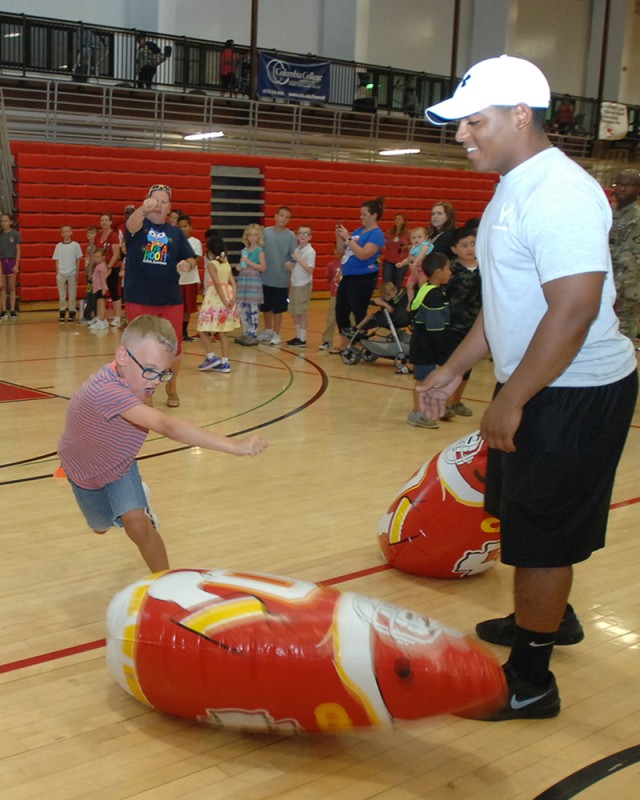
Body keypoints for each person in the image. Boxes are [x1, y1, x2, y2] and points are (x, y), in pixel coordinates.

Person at [421, 54, 638, 720]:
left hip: (573, 390)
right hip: (541, 383)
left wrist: (512, 399)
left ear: (521, 115)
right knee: (523, 519)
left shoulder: (559, 192)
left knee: (542, 535)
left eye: (474, 122)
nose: (463, 137)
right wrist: (455, 367)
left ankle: (533, 679)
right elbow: (507, 301)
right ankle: (552, 618)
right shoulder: (511, 187)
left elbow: (573, 309)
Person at [58, 315, 266, 573]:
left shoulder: (135, 380)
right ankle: (130, 504)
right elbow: (169, 426)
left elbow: (164, 422)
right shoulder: (106, 390)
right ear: (122, 357)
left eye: (162, 373)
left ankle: (165, 582)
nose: (155, 380)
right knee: (100, 526)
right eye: (149, 369)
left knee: (138, 526)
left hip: (120, 467)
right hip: (84, 474)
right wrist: (234, 445)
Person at [124, 183, 197, 408]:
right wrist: (142, 209)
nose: (159, 205)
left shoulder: (175, 233)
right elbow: (131, 224)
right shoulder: (138, 226)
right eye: (155, 200)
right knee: (139, 347)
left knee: (174, 348)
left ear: (169, 208)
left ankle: (171, 385)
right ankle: (145, 391)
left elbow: (193, 258)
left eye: (164, 202)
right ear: (147, 202)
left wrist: (187, 263)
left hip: (169, 300)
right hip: (138, 297)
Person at [332, 197, 386, 354]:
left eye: (364, 214)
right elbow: (341, 252)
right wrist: (339, 237)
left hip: (364, 277)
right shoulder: (358, 232)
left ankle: (361, 343)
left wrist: (349, 239)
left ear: (373, 215)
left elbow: (364, 254)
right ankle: (345, 343)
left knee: (358, 311)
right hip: (349, 276)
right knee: (341, 310)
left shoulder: (376, 234)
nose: (361, 217)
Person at [406, 253, 451, 430]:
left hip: (423, 344)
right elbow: (435, 328)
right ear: (438, 272)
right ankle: (417, 413)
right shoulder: (433, 295)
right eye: (448, 269)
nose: (450, 273)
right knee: (423, 381)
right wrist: (444, 352)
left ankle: (428, 410)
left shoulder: (426, 288)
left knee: (426, 380)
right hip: (426, 346)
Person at [443, 225, 482, 416]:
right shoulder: (450, 271)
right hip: (452, 326)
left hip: (474, 327)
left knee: (467, 367)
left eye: (473, 244)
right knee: (449, 365)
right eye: (464, 245)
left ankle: (456, 402)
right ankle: (441, 402)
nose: (469, 248)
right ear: (454, 249)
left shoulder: (484, 268)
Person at [197, 235, 240, 373]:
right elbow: (233, 282)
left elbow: (216, 283)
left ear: (209, 251)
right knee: (223, 333)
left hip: (216, 298)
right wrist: (233, 297)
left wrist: (224, 300)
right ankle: (225, 363)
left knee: (203, 329)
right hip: (227, 294)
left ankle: (211, 357)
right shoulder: (226, 263)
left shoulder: (211, 264)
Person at [609, 169, 640, 343]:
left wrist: (617, 290)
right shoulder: (614, 212)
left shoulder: (636, 218)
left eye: (627, 185)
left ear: (637, 188)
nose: (621, 189)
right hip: (611, 282)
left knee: (623, 332)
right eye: (619, 184)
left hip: (626, 288)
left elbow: (631, 260)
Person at [259, 207, 297, 346]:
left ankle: (276, 332)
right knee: (265, 306)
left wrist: (291, 265)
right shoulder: (265, 232)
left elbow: (294, 256)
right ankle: (268, 330)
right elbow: (259, 251)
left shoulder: (291, 236)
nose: (283, 219)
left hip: (281, 279)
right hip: (265, 277)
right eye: (282, 215)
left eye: (287, 217)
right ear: (275, 216)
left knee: (278, 308)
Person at [285, 225, 316, 348]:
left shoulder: (310, 251)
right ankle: (298, 336)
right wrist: (290, 266)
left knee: (302, 312)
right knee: (295, 312)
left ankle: (303, 338)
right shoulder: (297, 249)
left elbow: (309, 269)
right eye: (301, 233)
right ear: (297, 235)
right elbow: (297, 266)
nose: (303, 236)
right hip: (295, 283)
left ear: (310, 237)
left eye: (306, 234)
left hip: (303, 285)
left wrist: (298, 259)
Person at [236, 223, 266, 346]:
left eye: (255, 235)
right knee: (242, 307)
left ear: (259, 237)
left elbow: (263, 267)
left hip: (253, 281)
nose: (252, 238)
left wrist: (248, 262)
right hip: (244, 280)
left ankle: (253, 332)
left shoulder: (260, 251)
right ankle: (246, 331)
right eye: (250, 235)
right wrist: (239, 267)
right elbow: (242, 265)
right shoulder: (244, 251)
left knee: (253, 307)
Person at [176, 215, 203, 342]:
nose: (182, 229)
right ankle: (175, 330)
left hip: (190, 280)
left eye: (185, 226)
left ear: (190, 227)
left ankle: (184, 331)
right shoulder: (173, 241)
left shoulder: (195, 242)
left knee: (187, 308)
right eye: (180, 227)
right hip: (176, 280)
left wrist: (189, 264)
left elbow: (197, 259)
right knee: (176, 307)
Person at [95, 213, 122, 328]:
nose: (104, 222)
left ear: (110, 222)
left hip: (112, 268)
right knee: (100, 293)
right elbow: (96, 252)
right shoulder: (98, 235)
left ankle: (117, 317)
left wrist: (109, 267)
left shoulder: (113, 236)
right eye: (102, 220)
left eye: (106, 220)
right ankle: (101, 317)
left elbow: (116, 253)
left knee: (113, 291)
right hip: (101, 268)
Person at [396, 226, 433, 307]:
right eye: (413, 238)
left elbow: (422, 255)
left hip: (422, 270)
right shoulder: (414, 248)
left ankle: (422, 301)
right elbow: (409, 258)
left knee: (421, 284)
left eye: (419, 237)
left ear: (426, 237)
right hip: (414, 271)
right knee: (409, 285)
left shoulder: (425, 245)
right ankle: (410, 302)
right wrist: (402, 263)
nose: (416, 240)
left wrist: (416, 261)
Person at [52, 225, 83, 322]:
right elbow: (56, 260)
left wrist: (77, 272)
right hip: (61, 273)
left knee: (72, 294)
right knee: (62, 294)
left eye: (68, 231)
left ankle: (72, 312)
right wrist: (58, 273)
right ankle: (62, 311)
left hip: (72, 273)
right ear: (61, 233)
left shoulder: (75, 245)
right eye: (64, 232)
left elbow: (78, 260)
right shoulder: (58, 246)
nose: (66, 234)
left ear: (71, 232)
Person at [318, 252, 342, 351]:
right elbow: (329, 278)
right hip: (335, 295)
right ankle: (327, 341)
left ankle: (352, 340)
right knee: (331, 318)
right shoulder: (331, 264)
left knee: (350, 318)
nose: (338, 252)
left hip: (347, 295)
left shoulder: (349, 263)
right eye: (336, 249)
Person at [0, 212, 20, 320]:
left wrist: (16, 264)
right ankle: (3, 310)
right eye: (2, 221)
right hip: (1, 262)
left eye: (6, 221)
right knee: (2, 287)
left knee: (12, 287)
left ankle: (12, 310)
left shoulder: (15, 234)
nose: (4, 223)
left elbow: (18, 250)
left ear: (11, 222)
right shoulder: (0, 234)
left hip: (11, 261)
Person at [381, 213, 410, 288]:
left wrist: (407, 246)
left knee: (398, 282)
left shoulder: (408, 233)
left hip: (401, 261)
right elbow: (383, 243)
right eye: (396, 219)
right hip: (389, 260)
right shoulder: (389, 232)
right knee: (386, 282)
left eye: (399, 219)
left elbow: (414, 245)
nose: (397, 220)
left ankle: (396, 299)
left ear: (404, 221)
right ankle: (386, 298)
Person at [87, 248, 109, 331]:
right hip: (97, 288)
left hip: (100, 288)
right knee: (99, 304)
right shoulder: (98, 266)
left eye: (98, 257)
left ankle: (102, 321)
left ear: (103, 257)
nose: (96, 259)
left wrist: (103, 288)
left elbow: (103, 279)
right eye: (95, 257)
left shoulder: (101, 267)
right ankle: (102, 320)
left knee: (101, 305)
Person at [80, 225, 98, 324]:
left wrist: (90, 271)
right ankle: (92, 315)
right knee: (89, 293)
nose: (89, 235)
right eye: (88, 233)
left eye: (92, 233)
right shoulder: (89, 246)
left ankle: (89, 315)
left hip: (92, 274)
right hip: (88, 274)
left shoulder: (94, 246)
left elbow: (92, 260)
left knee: (91, 295)